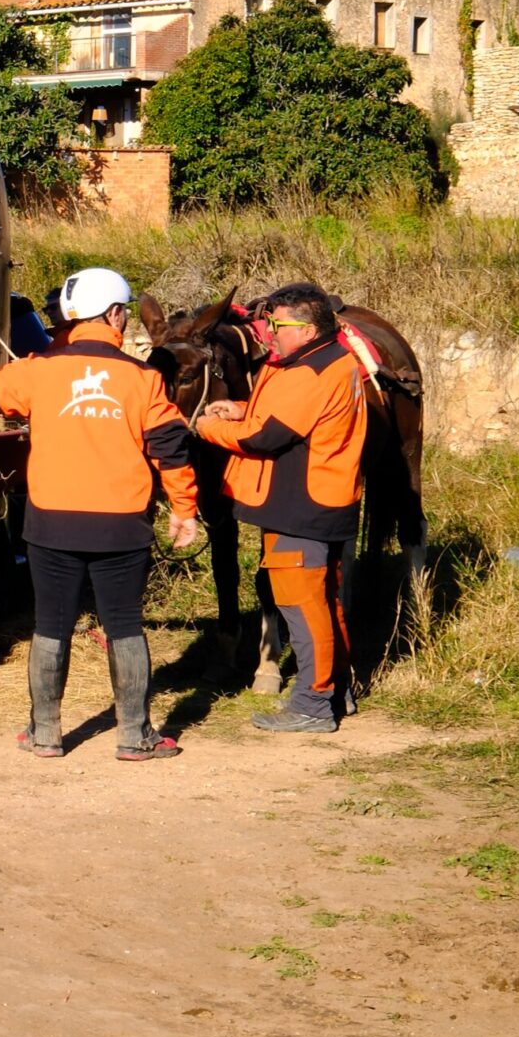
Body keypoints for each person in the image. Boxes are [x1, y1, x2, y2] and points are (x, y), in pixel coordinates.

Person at [0, 267, 201, 760]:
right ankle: (135, 735)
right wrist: (183, 508)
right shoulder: (144, 379)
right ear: (115, 315)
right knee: (124, 624)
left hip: (51, 522)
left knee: (51, 624)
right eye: (124, 312)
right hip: (121, 525)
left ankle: (45, 733)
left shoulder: (38, 370)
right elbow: (170, 446)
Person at [194, 282, 366, 734]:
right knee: (324, 603)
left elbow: (264, 438)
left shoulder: (309, 372)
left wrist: (207, 428)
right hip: (324, 501)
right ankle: (338, 692)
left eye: (278, 324)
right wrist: (242, 407)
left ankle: (313, 704)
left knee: (302, 607)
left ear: (307, 330)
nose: (270, 331)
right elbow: (289, 415)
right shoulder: (330, 359)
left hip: (300, 507)